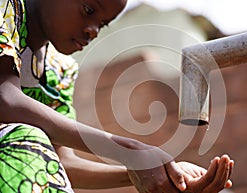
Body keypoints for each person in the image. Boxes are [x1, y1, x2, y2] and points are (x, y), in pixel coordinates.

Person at [0, 0, 234, 192]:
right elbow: (6, 100)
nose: (93, 30)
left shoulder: (58, 71)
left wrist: (154, 172)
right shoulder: (5, 8)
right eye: (89, 10)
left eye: (103, 24)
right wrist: (129, 150)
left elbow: (60, 162)